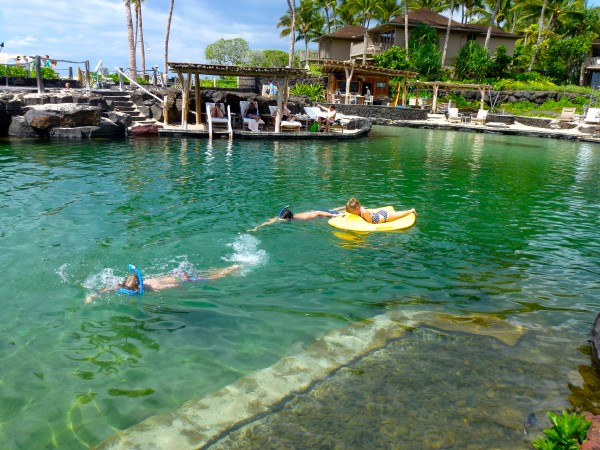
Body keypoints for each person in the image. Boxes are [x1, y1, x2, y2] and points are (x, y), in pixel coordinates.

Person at [85, 263, 241, 304]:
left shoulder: (154, 288)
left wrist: (183, 291)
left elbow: (174, 286)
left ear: (138, 287)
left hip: (181, 279)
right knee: (204, 273)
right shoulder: (124, 285)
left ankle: (232, 268)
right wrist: (92, 295)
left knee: (212, 279)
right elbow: (107, 288)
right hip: (171, 274)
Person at [249, 205, 341, 232]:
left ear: (289, 218)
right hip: (314, 211)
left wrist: (333, 216)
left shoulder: (303, 218)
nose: (281, 221)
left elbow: (317, 213)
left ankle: (343, 209)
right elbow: (270, 222)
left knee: (335, 212)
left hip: (318, 214)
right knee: (332, 210)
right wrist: (256, 228)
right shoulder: (283, 216)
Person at [345, 197, 416, 224]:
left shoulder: (363, 212)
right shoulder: (358, 209)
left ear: (357, 209)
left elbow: (370, 223)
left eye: (352, 212)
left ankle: (411, 210)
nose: (352, 214)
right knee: (397, 214)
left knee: (399, 215)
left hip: (384, 217)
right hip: (377, 214)